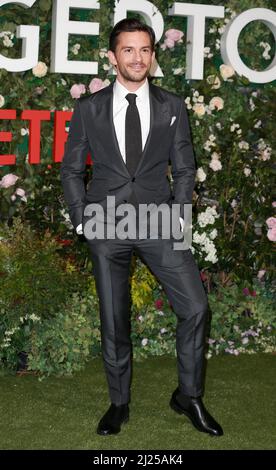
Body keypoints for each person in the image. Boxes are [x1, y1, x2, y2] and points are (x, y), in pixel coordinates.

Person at [60, 18, 223, 437]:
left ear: (153, 55)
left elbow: (184, 166)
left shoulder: (172, 106)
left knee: (195, 306)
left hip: (160, 221)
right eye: (128, 50)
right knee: (114, 320)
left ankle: (188, 396)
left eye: (145, 50)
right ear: (113, 57)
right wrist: (82, 220)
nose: (138, 58)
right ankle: (119, 403)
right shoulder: (88, 109)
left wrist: (179, 216)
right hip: (104, 222)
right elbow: (71, 170)